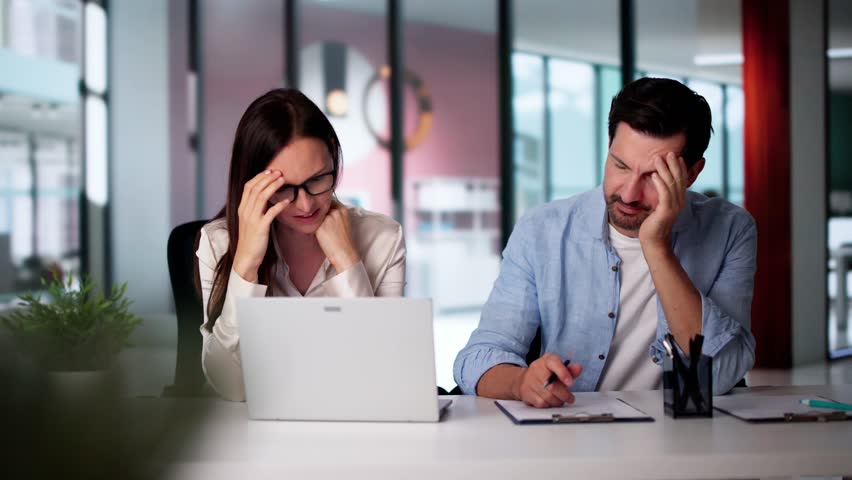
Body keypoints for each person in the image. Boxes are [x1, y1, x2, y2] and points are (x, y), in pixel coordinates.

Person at [453, 77, 756, 407]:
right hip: (572, 435)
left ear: (692, 173)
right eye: (620, 165)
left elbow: (720, 375)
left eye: (653, 176)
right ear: (609, 146)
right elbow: (477, 359)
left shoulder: (729, 229)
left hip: (678, 436)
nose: (628, 193)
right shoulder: (542, 231)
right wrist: (520, 382)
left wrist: (656, 247)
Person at [196, 89, 406, 401]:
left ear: (333, 154)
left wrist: (348, 263)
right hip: (258, 435)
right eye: (284, 189)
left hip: (355, 428)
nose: (306, 204)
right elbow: (229, 387)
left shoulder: (382, 237)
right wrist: (245, 268)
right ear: (253, 183)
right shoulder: (219, 242)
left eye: (318, 179)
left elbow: (383, 374)